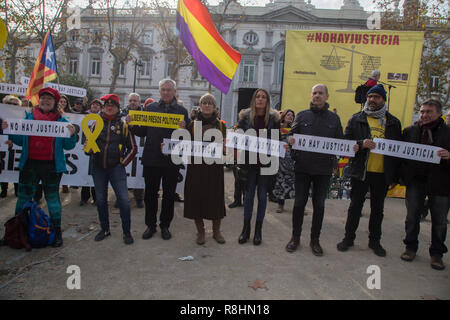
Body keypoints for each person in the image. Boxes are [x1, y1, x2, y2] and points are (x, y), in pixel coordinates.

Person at [2, 87, 77, 247]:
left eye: (49, 99)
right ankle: (17, 232)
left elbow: (69, 146)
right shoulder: (28, 118)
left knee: (52, 199)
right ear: (38, 101)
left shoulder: (62, 122)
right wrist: (7, 129)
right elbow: (20, 140)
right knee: (23, 198)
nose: (45, 101)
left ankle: (57, 233)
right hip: (30, 164)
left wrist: (72, 134)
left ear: (55, 103)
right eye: (43, 98)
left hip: (51, 167)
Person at [336, 84, 402, 257]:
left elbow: (398, 152)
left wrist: (395, 175)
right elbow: (345, 143)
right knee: (355, 207)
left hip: (382, 173)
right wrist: (360, 144)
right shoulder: (356, 118)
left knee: (377, 210)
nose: (372, 100)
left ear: (383, 100)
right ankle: (348, 239)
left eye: (376, 97)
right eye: (370, 96)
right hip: (361, 172)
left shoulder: (394, 122)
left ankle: (375, 242)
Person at [285, 85, 345, 256]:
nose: (317, 96)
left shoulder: (334, 119)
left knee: (319, 206)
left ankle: (315, 240)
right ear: (311, 96)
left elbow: (341, 142)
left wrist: (351, 147)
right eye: (314, 93)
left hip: (324, 170)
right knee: (298, 205)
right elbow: (291, 134)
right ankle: (295, 237)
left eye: (320, 93)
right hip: (302, 168)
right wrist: (289, 138)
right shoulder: (302, 115)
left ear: (327, 96)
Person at [127, 79, 189, 240]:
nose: (166, 92)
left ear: (174, 92)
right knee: (150, 194)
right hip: (152, 159)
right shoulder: (151, 108)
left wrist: (185, 128)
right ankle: (150, 225)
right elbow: (142, 132)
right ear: (159, 91)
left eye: (169, 90)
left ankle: (165, 226)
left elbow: (186, 137)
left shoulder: (182, 111)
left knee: (169, 195)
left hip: (171, 160)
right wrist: (132, 125)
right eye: (163, 90)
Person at [399, 99, 450, 270]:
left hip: (441, 183)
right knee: (412, 216)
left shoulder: (448, 133)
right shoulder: (410, 131)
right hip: (416, 181)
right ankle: (410, 247)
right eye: (422, 112)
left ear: (438, 113)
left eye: (429, 112)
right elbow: (400, 156)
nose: (424, 115)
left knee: (440, 220)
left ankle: (437, 254)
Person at [87, 94, 137, 245]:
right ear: (103, 107)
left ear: (117, 108)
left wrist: (123, 163)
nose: (110, 108)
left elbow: (133, 148)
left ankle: (126, 232)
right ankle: (105, 229)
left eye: (113, 105)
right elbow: (87, 144)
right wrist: (88, 150)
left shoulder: (123, 126)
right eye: (107, 105)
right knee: (101, 200)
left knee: (124, 201)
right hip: (98, 168)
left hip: (116, 168)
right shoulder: (94, 123)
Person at [237, 88, 280, 246]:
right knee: (248, 198)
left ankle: (258, 231)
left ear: (267, 101)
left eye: (263, 97)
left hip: (266, 166)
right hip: (249, 165)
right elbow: (239, 139)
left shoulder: (274, 119)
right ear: (254, 100)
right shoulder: (245, 118)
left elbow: (277, 142)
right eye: (258, 97)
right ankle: (245, 230)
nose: (260, 99)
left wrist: (283, 147)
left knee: (262, 198)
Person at [184, 93, 226, 245]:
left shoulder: (221, 125)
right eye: (204, 103)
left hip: (214, 168)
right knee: (196, 199)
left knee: (216, 199)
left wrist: (225, 148)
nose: (207, 105)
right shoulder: (191, 124)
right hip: (196, 168)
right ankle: (200, 231)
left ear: (214, 107)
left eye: (210, 103)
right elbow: (184, 144)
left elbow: (225, 146)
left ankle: (216, 231)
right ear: (200, 106)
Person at [80, 99, 102, 206]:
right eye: (93, 104)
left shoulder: (102, 118)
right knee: (85, 173)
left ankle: (96, 197)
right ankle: (84, 198)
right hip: (85, 148)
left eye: (98, 105)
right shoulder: (84, 116)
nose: (95, 106)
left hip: (96, 149)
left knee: (95, 175)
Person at [273, 109, 296, 214]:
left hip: (293, 160)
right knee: (281, 182)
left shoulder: (296, 128)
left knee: (295, 183)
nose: (290, 116)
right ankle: (280, 205)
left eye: (292, 115)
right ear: (284, 116)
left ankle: (298, 206)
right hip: (281, 160)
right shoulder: (278, 127)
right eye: (288, 114)